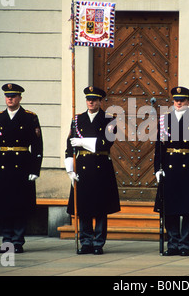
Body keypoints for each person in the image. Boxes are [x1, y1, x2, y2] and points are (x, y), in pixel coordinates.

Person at [0, 83, 43, 253]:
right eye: (7, 96)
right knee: (4, 205)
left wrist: (34, 169)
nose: (10, 99)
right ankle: (6, 239)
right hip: (2, 166)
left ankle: (17, 241)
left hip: (22, 166)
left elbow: (37, 145)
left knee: (19, 204)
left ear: (20, 98)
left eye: (13, 96)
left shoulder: (30, 117)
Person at [64, 86, 120, 255]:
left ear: (100, 101)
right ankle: (86, 242)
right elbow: (69, 145)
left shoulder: (109, 120)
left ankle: (98, 243)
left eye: (94, 99)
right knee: (84, 207)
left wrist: (83, 142)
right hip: (82, 167)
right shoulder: (77, 119)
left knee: (100, 208)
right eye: (88, 99)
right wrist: (69, 169)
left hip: (101, 166)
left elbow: (105, 143)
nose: (91, 102)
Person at [154, 86, 189, 256]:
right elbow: (159, 147)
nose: (179, 103)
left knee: (187, 209)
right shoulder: (164, 119)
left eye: (182, 100)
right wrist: (158, 169)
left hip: (188, 167)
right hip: (170, 167)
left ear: (188, 101)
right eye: (176, 100)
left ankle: (185, 245)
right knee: (170, 208)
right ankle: (173, 244)